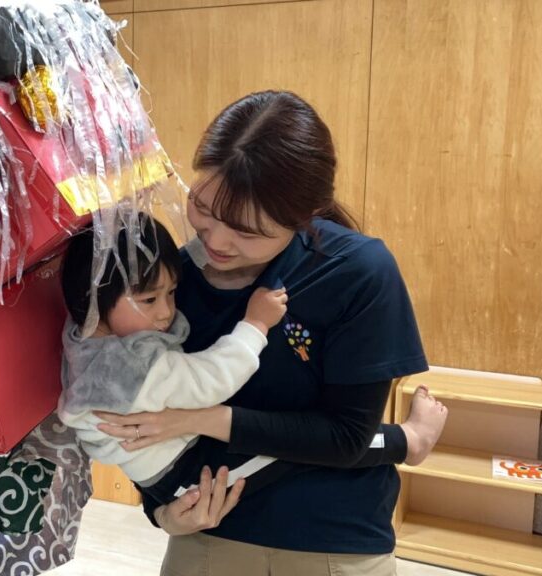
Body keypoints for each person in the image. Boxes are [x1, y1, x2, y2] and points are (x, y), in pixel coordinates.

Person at [93, 90, 448, 575]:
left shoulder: (357, 271)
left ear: (304, 217)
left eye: (247, 231)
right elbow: (135, 415)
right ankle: (408, 440)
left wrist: (201, 418)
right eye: (203, 207)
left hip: (332, 541)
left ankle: (408, 440)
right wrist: (161, 513)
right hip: (207, 533)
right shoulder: (170, 279)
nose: (216, 241)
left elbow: (346, 436)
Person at [57, 215, 290, 506]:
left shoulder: (84, 331)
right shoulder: (131, 366)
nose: (166, 311)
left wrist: (203, 248)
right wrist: (256, 324)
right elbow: (212, 380)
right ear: (92, 299)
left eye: (171, 292)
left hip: (164, 464)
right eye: (150, 300)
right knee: (284, 450)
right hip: (183, 472)